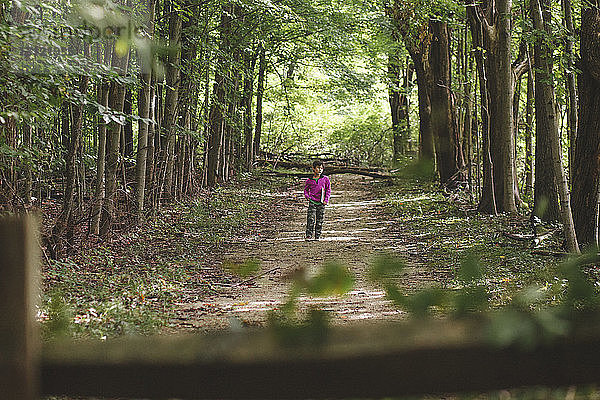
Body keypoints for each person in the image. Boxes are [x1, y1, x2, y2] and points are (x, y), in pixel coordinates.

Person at [304, 160, 331, 240]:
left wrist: (326, 200)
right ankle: (308, 235)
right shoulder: (309, 180)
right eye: (318, 168)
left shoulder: (325, 179)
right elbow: (306, 190)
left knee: (319, 220)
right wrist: (307, 196)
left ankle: (317, 235)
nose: (320, 170)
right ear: (313, 168)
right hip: (312, 202)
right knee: (310, 219)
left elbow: (328, 190)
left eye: (321, 168)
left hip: (321, 202)